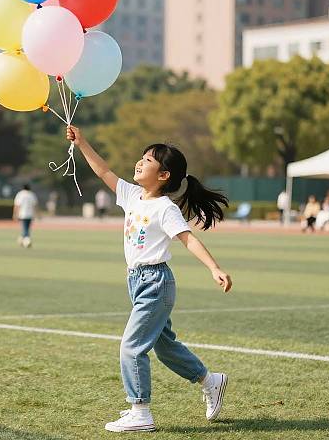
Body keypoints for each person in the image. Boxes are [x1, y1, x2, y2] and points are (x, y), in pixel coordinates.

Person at [66, 125, 232, 433]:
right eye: (141, 157)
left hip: (156, 282)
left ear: (164, 175)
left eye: (149, 160)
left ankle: (140, 411)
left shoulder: (165, 208)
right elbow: (103, 171)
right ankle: (211, 380)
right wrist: (82, 142)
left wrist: (214, 267)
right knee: (164, 346)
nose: (140, 162)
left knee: (131, 347)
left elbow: (188, 239)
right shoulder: (132, 195)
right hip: (138, 282)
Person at [13, 184, 38, 248]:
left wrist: (15, 214)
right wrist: (35, 214)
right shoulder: (32, 194)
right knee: (27, 228)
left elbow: (17, 205)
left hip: (22, 214)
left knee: (25, 228)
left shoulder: (20, 194)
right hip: (30, 214)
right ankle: (25, 240)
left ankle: (24, 240)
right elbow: (34, 205)